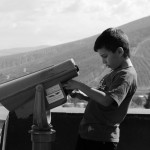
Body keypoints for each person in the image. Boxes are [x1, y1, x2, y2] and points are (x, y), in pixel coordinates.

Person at [64, 27, 137, 150]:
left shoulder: (126, 75)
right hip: (89, 134)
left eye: (105, 56)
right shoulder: (115, 72)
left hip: (101, 139)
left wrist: (80, 85)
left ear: (119, 51)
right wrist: (82, 96)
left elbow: (108, 100)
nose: (103, 61)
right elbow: (102, 100)